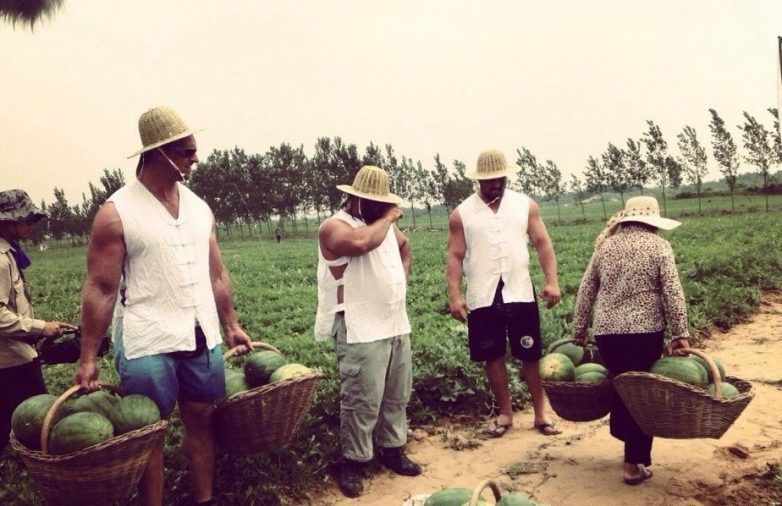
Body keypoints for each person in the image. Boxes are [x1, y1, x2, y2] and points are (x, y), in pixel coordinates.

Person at [73, 106, 252, 506]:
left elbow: (216, 274)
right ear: (159, 153)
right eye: (187, 151)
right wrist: (87, 358)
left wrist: (230, 324)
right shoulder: (116, 214)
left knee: (202, 417)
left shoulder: (199, 208)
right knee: (150, 429)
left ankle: (204, 499)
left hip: (199, 332)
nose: (195, 158)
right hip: (147, 338)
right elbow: (101, 288)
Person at [314, 165, 421, 498]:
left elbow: (404, 247)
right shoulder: (334, 226)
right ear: (355, 198)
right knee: (362, 399)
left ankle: (393, 448)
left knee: (396, 393)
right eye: (376, 203)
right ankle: (354, 461)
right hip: (360, 326)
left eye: (384, 204)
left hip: (393, 321)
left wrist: (398, 282)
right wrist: (388, 218)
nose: (382, 208)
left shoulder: (383, 225)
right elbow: (360, 244)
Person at [572, 195, 691, 486]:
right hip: (644, 333)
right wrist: (680, 334)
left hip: (607, 333)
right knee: (641, 395)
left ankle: (628, 445)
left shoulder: (606, 246)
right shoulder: (659, 246)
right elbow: (673, 292)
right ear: (653, 222)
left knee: (622, 387)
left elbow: (586, 289)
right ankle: (632, 464)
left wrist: (579, 329)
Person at [446, 149, 562, 438]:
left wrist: (552, 281)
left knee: (530, 353)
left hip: (519, 290)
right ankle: (505, 413)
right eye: (489, 181)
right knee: (493, 354)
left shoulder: (525, 205)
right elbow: (455, 256)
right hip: (483, 294)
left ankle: (540, 413)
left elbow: (542, 243)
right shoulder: (462, 213)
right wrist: (455, 296)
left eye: (500, 179)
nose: (496, 184)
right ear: (478, 180)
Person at [0, 189, 76, 452]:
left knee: (8, 418)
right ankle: (40, 464)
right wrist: (41, 328)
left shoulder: (9, 254)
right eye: (27, 219)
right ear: (8, 222)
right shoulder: (0, 261)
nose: (31, 225)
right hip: (12, 359)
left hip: (14, 353)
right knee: (39, 421)